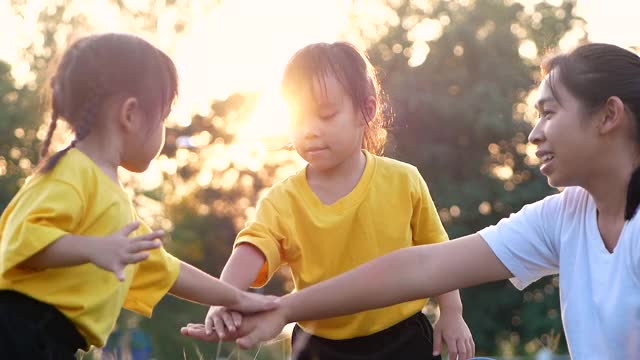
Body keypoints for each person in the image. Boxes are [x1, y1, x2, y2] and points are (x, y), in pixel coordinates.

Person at [182, 42, 640, 359]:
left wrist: (451, 314)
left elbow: (424, 261)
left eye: (548, 113)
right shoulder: (564, 215)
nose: (534, 132)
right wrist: (272, 307)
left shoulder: (401, 180)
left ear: (609, 116)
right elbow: (421, 266)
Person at [189, 41, 474, 360]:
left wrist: (452, 312)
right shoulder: (283, 199)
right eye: (297, 118)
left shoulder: (403, 180)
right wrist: (223, 299)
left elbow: (439, 255)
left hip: (403, 337)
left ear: (367, 109)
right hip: (317, 346)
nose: (309, 131)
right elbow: (252, 249)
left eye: (325, 115)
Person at [0, 33, 276, 359]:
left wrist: (239, 298)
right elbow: (22, 240)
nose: (164, 131)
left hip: (52, 343)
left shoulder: (112, 197)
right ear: (130, 114)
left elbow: (169, 269)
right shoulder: (71, 173)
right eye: (162, 118)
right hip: (18, 331)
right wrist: (94, 248)